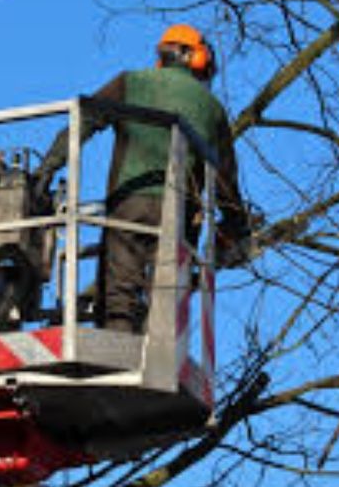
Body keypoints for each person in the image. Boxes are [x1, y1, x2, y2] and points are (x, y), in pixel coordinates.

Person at [35, 25, 248, 334]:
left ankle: (118, 340)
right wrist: (236, 227)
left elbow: (81, 122)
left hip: (129, 204)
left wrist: (48, 168)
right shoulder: (212, 108)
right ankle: (159, 349)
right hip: (180, 215)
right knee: (166, 296)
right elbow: (226, 178)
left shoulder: (130, 82)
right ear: (196, 58)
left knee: (119, 292)